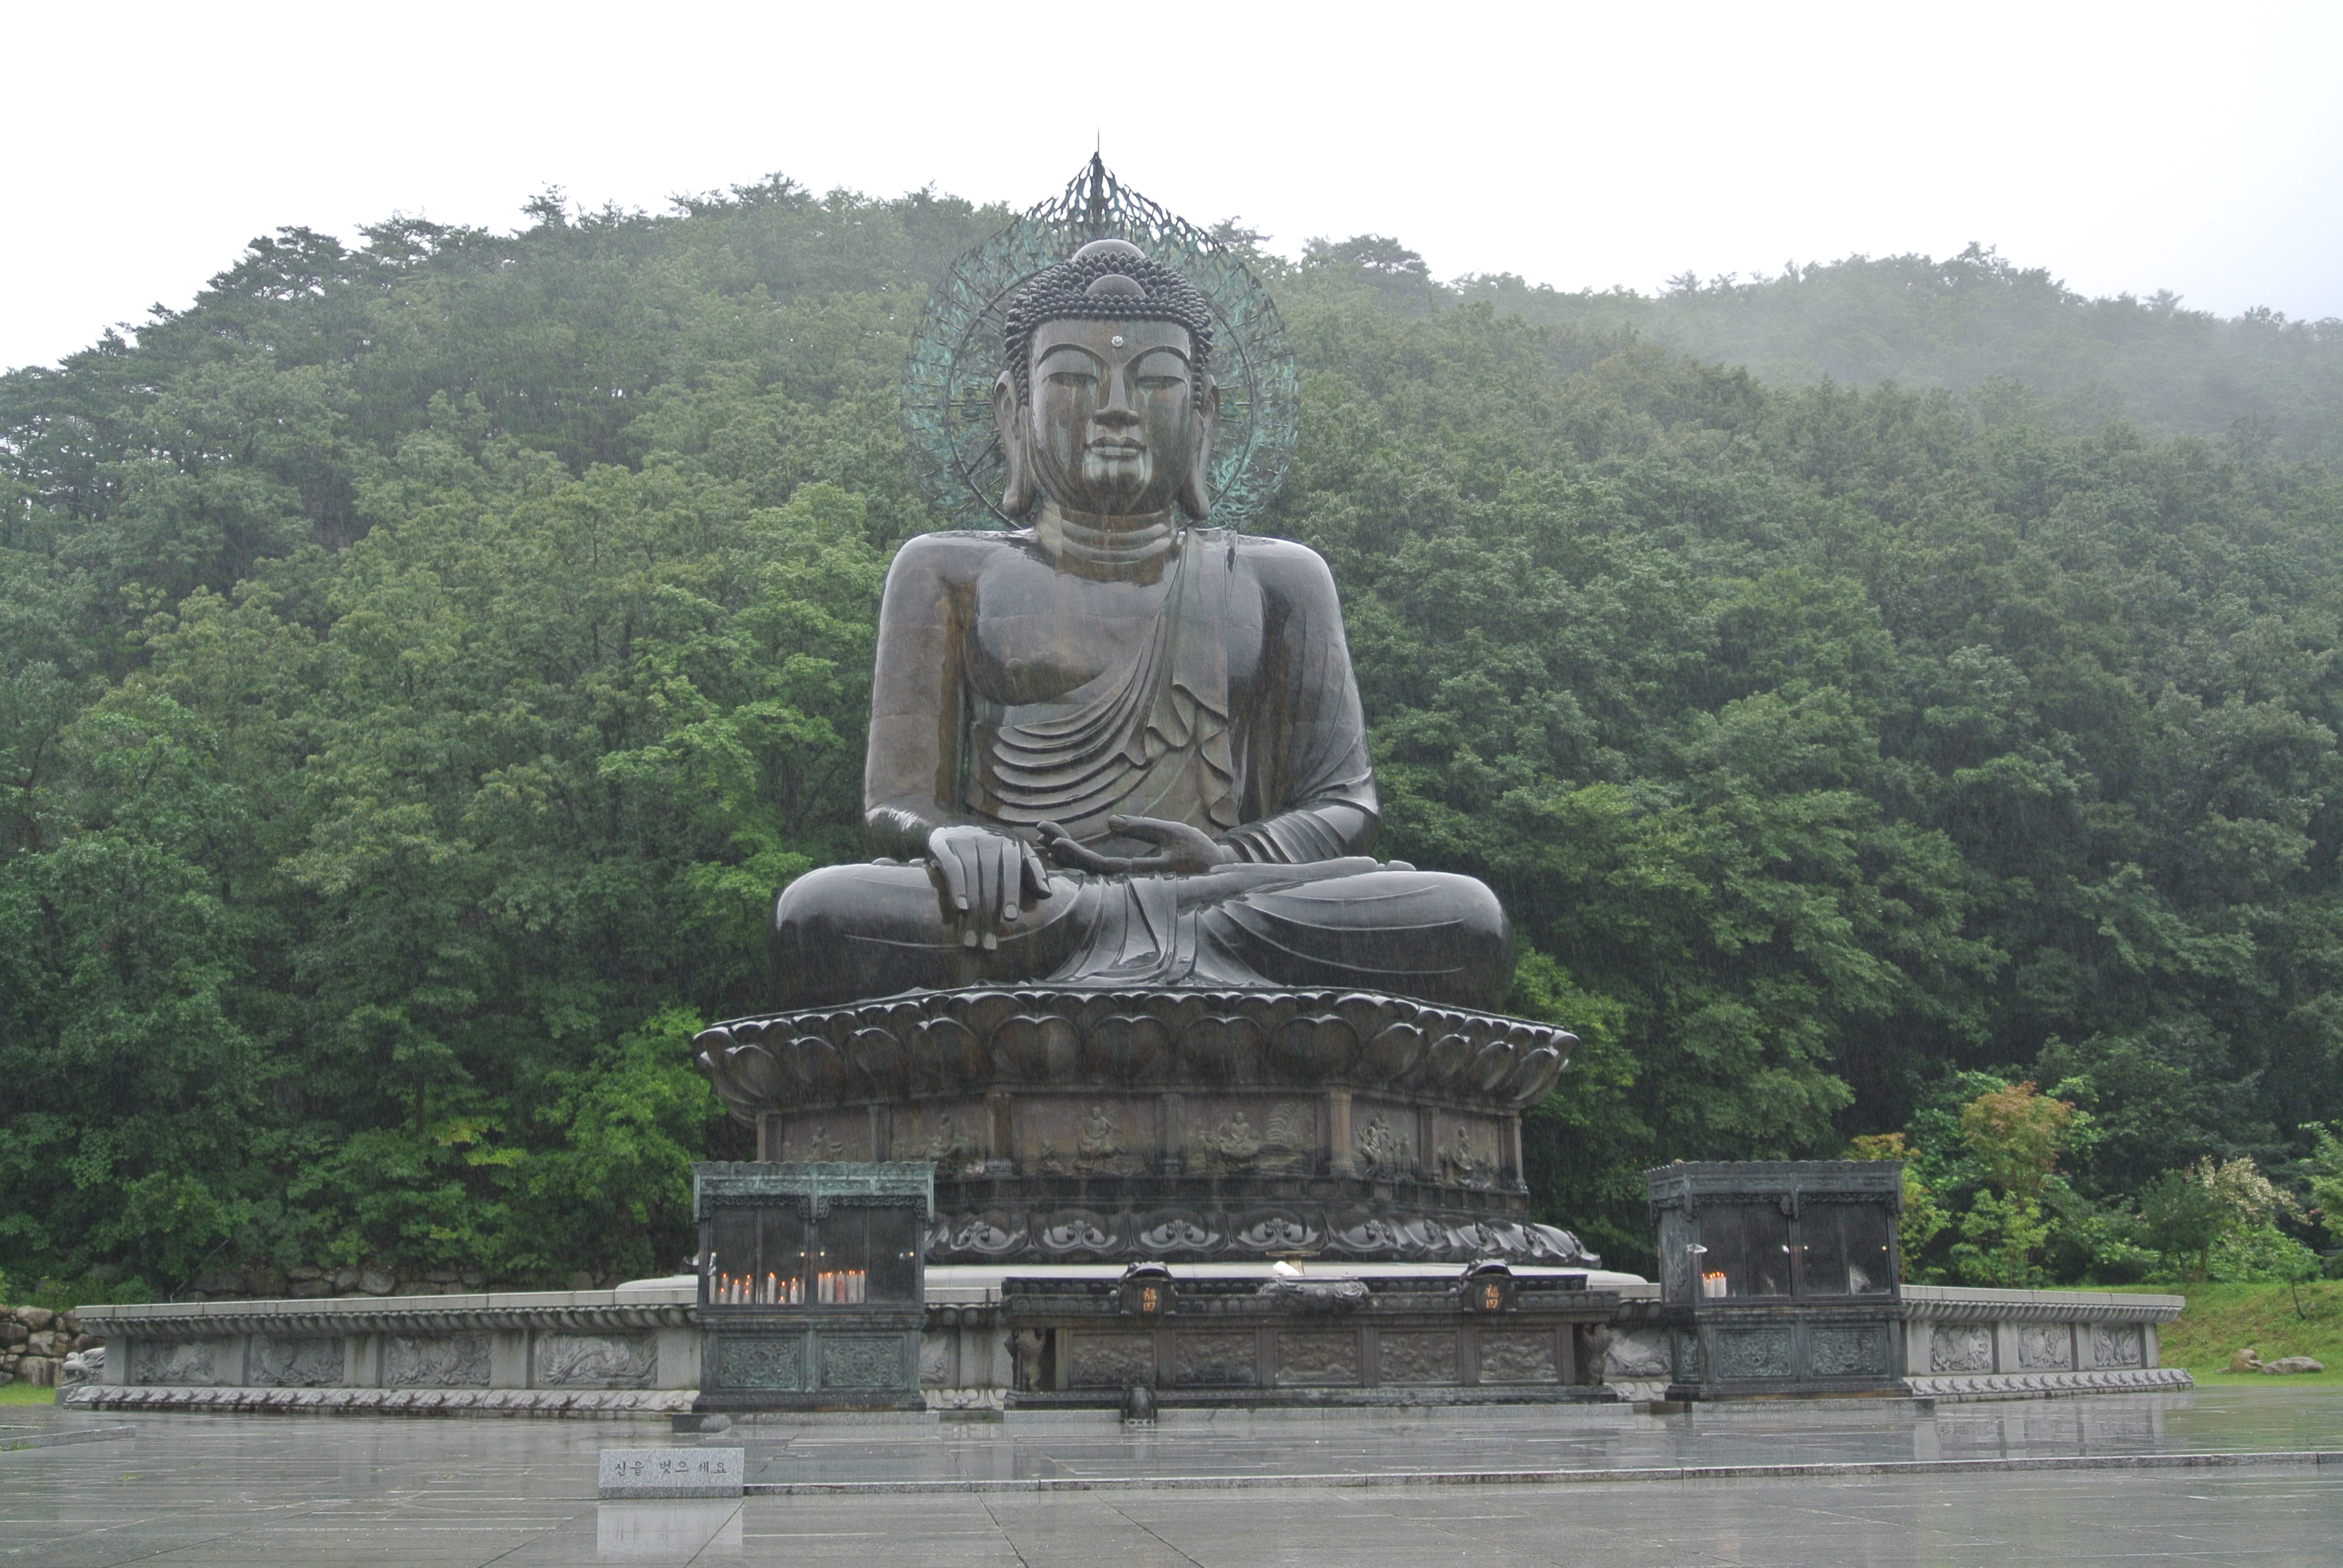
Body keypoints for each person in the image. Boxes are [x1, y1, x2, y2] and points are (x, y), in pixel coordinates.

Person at [774, 239, 1509, 1009]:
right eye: (1072, 377)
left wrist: (1230, 860)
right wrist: (954, 838)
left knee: (1462, 919)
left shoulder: (1282, 578)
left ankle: (1131, 959)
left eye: (1155, 380)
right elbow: (895, 801)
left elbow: (1346, 803)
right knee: (820, 916)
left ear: (1202, 414)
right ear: (1012, 411)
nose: (1116, 407)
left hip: (1220, 899)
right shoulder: (945, 571)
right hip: (1025, 905)